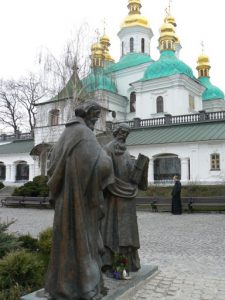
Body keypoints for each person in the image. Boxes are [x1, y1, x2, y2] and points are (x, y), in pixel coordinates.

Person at [44, 100, 114, 300]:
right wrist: (108, 159)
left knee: (65, 242)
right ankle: (85, 287)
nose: (96, 120)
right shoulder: (84, 134)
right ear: (88, 114)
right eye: (96, 116)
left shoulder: (65, 135)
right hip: (81, 201)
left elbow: (52, 167)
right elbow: (101, 165)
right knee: (83, 242)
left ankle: (62, 285)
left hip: (65, 200)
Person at [100, 123, 149, 274]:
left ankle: (129, 262)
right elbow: (103, 172)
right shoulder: (107, 149)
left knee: (128, 231)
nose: (124, 136)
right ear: (116, 132)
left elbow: (128, 172)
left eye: (126, 134)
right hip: (114, 197)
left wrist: (139, 170)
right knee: (112, 229)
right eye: (122, 133)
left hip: (128, 197)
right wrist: (113, 185)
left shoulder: (126, 151)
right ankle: (111, 263)